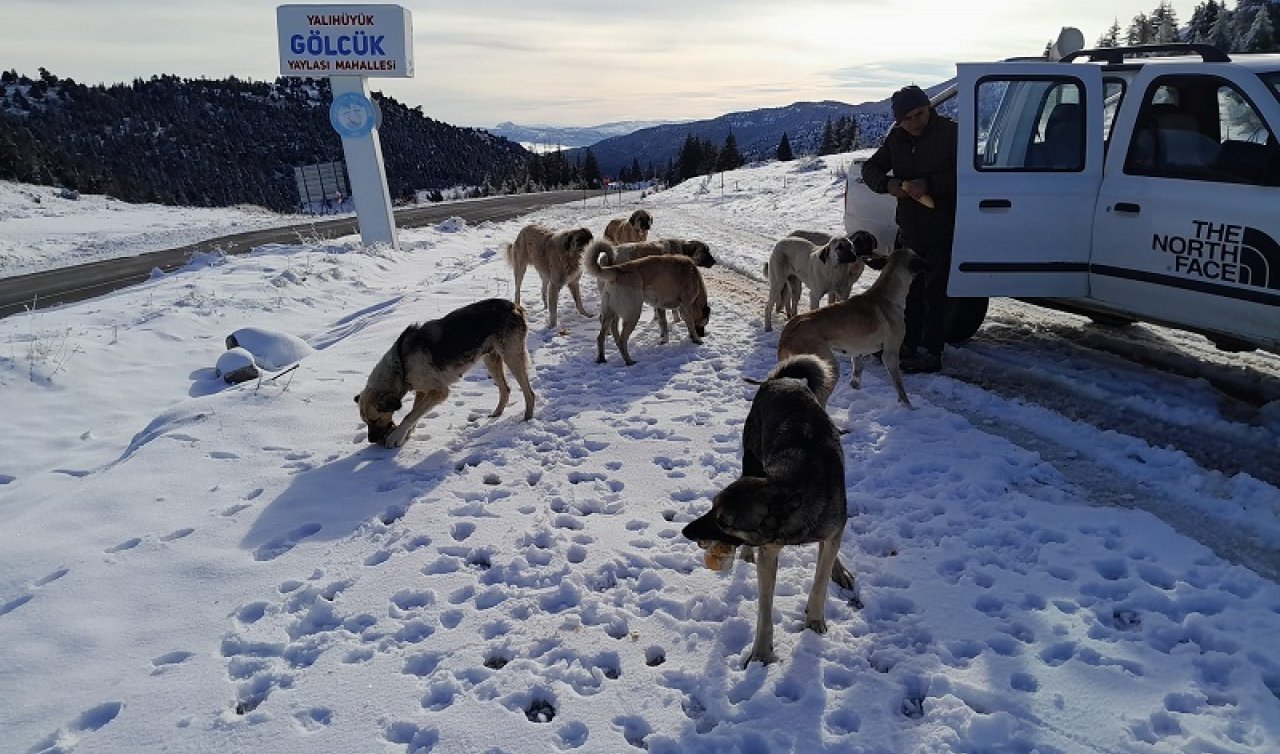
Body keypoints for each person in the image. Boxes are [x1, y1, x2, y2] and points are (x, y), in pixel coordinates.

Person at [860, 84, 957, 373]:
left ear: (929, 108)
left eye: (920, 113)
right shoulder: (897, 138)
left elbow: (965, 175)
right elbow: (870, 169)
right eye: (908, 118)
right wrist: (887, 185)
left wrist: (928, 184)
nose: (915, 122)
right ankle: (906, 345)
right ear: (899, 121)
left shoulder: (950, 133)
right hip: (909, 230)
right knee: (906, 293)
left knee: (934, 293)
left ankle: (931, 352)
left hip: (942, 228)